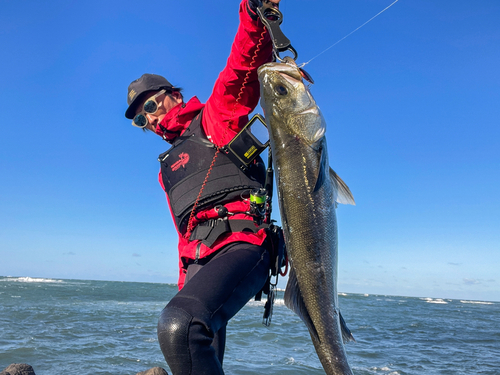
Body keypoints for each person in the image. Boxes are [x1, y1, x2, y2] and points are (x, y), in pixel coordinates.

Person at [124, 1, 281, 374]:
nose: (149, 117)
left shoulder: (214, 118)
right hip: (199, 261)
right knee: (199, 341)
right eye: (140, 118)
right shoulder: (166, 169)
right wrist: (185, 286)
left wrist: (253, 12)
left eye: (151, 103)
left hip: (244, 243)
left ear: (173, 95)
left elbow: (241, 67)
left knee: (179, 326)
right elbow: (184, 237)